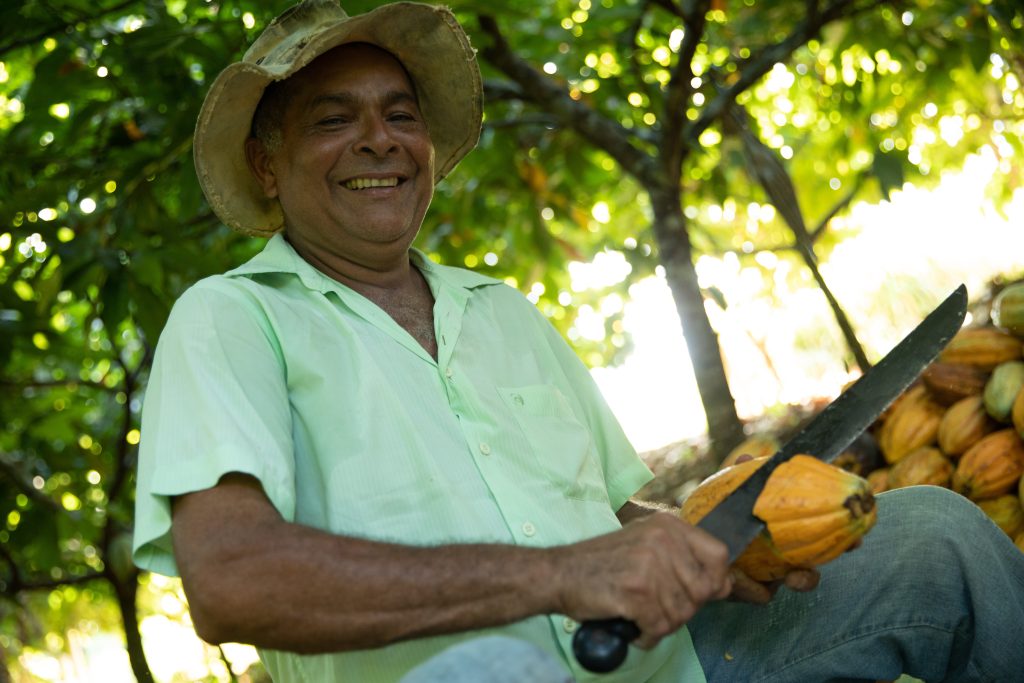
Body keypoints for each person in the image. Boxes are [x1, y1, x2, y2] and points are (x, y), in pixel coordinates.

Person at [132, 1, 1024, 681]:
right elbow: (230, 578)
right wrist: (557, 576)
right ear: (265, 163)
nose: (382, 140)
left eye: (402, 115)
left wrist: (708, 552)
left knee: (936, 535)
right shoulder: (231, 319)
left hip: (658, 663)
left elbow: (612, 518)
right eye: (334, 118)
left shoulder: (502, 312)